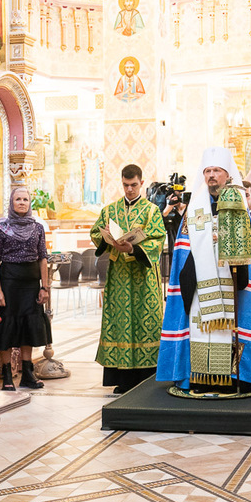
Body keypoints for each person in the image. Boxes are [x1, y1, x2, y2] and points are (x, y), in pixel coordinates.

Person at [157, 147, 251, 395]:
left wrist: (235, 260)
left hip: (233, 281)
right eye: (207, 171)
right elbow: (182, 251)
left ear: (228, 175)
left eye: (217, 170)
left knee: (232, 330)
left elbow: (250, 253)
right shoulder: (193, 210)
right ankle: (200, 379)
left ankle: (238, 376)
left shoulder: (238, 207)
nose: (211, 175)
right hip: (198, 282)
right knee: (200, 327)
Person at [89, 164, 166, 393]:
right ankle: (123, 380)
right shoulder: (110, 210)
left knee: (146, 323)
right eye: (125, 185)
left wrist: (133, 248)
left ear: (141, 183)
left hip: (144, 279)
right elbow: (96, 232)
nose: (129, 189)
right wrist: (108, 238)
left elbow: (158, 239)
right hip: (119, 278)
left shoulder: (152, 211)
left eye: (133, 185)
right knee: (121, 323)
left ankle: (145, 378)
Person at [0, 187, 53, 390]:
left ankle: (27, 373)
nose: (22, 202)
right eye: (18, 199)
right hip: (9, 283)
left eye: (25, 199)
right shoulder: (1, 227)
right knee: (6, 328)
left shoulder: (37, 227)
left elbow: (43, 257)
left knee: (29, 328)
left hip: (31, 283)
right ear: (11, 202)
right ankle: (6, 374)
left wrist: (45, 287)